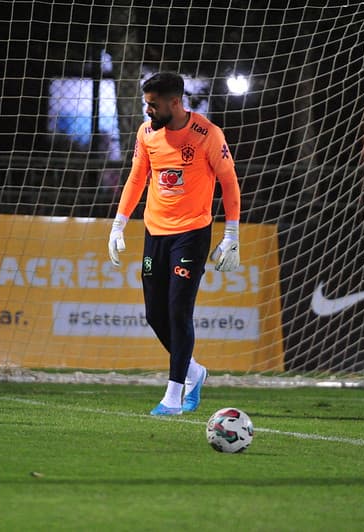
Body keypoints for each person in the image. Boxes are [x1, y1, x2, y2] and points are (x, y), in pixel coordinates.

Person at [107, 72, 241, 416]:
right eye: (146, 104)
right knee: (155, 315)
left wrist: (232, 234)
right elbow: (138, 176)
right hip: (156, 233)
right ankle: (194, 371)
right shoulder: (146, 132)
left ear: (175, 103)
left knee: (180, 311)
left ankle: (173, 395)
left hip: (192, 233)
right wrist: (119, 224)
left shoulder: (207, 135)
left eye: (153, 105)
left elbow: (229, 182)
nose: (148, 110)